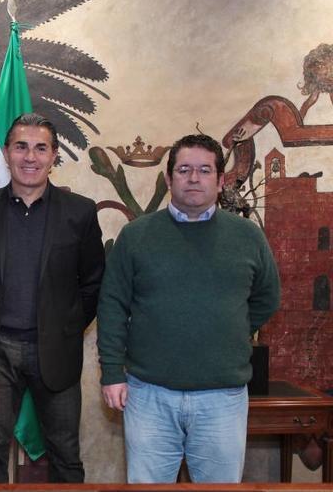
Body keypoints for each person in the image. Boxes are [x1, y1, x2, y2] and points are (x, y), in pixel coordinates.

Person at [97, 133, 281, 483]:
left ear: (220, 179)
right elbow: (112, 306)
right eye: (184, 170)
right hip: (148, 395)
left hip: (222, 398)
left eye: (204, 170)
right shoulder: (136, 236)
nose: (193, 178)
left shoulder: (248, 236)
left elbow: (267, 298)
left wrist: (226, 328)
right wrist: (112, 373)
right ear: (169, 179)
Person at [0, 113, 105, 483]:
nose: (30, 156)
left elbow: (93, 283)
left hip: (54, 351)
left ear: (54, 155)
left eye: (41, 148)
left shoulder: (80, 212)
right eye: (21, 147)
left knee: (66, 457)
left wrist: (66, 326)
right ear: (7, 153)